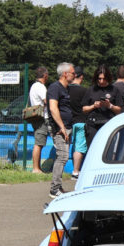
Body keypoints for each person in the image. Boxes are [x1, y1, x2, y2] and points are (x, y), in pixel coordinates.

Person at [47, 62, 75, 198]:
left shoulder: (66, 89)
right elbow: (53, 108)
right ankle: (54, 189)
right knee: (63, 156)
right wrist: (62, 127)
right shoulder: (54, 88)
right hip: (59, 128)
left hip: (67, 127)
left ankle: (58, 186)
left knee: (63, 156)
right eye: (73, 73)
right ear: (65, 74)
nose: (74, 75)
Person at [82, 65, 124, 146]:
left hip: (108, 124)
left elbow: (119, 110)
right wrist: (93, 106)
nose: (101, 81)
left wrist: (109, 105)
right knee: (93, 147)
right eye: (99, 79)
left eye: (104, 79)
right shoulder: (91, 90)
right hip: (93, 125)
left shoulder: (114, 90)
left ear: (108, 78)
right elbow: (84, 109)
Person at [68, 65, 89, 180]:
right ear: (82, 77)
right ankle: (76, 172)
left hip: (68, 122)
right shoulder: (84, 91)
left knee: (70, 146)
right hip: (81, 121)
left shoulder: (66, 89)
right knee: (79, 148)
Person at [28, 66, 49, 174]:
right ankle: (36, 169)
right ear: (45, 75)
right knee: (39, 143)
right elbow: (47, 101)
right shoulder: (40, 87)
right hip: (41, 118)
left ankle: (37, 168)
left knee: (39, 142)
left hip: (35, 117)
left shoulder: (33, 86)